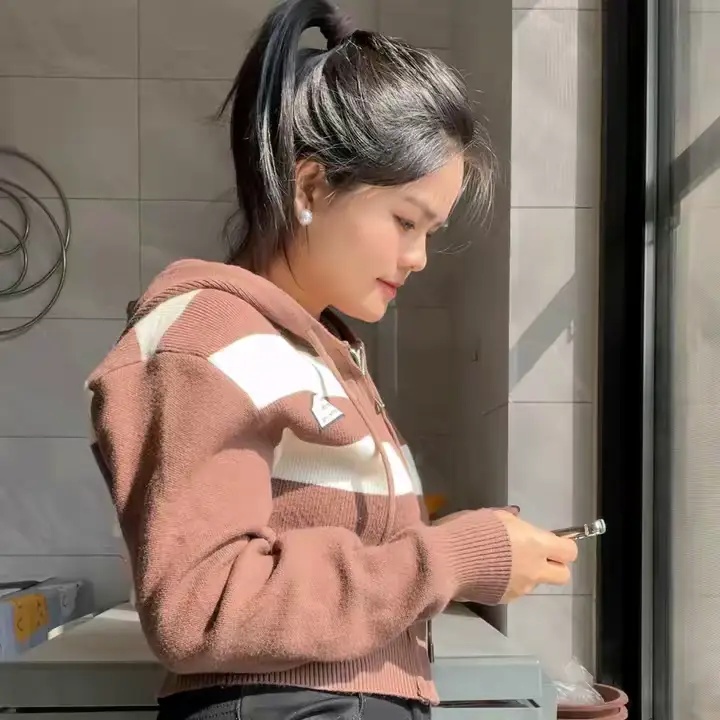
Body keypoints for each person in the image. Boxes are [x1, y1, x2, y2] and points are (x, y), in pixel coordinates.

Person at [86, 2, 578, 719]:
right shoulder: (209, 337)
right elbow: (200, 606)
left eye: (431, 231)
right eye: (405, 221)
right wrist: (453, 556)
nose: (418, 257)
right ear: (313, 186)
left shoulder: (315, 350)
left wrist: (478, 545)